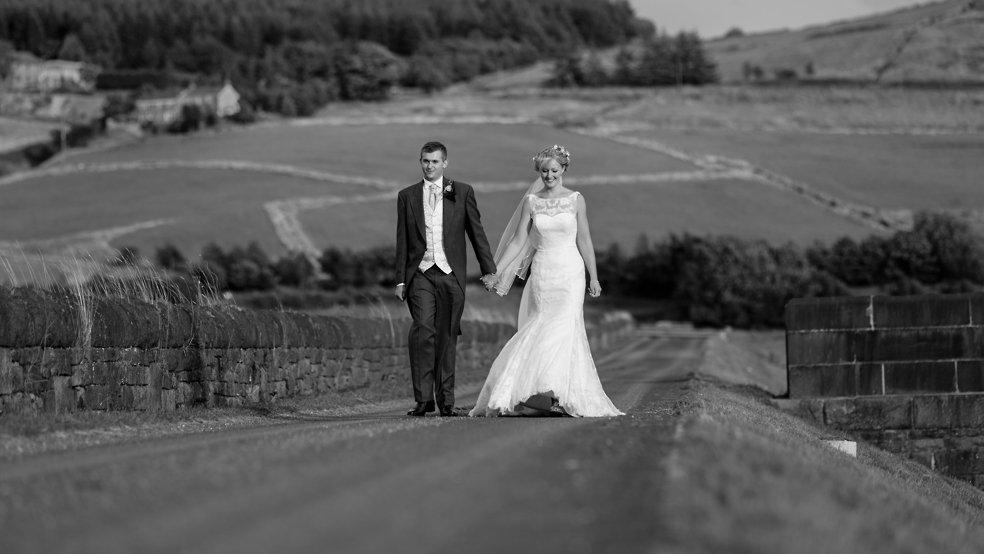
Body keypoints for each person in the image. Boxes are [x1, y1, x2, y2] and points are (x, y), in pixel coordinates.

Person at [470, 145, 623, 418]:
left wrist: (594, 276)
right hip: (543, 271)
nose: (549, 175)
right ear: (538, 172)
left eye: (554, 170)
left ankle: (557, 392)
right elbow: (518, 241)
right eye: (544, 171)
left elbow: (584, 240)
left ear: (564, 169)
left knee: (565, 326)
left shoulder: (577, 200)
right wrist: (496, 271)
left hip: (571, 271)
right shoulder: (532, 202)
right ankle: (540, 391)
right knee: (541, 324)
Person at [394, 141, 497, 417]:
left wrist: (488, 269)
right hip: (420, 274)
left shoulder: (462, 192)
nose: (429, 166)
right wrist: (401, 280)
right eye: (425, 161)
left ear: (445, 163)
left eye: (435, 162)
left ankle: (446, 401)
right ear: (421, 162)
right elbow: (402, 240)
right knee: (423, 330)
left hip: (452, 275)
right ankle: (423, 399)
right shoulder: (407, 196)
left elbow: (477, 233)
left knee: (447, 337)